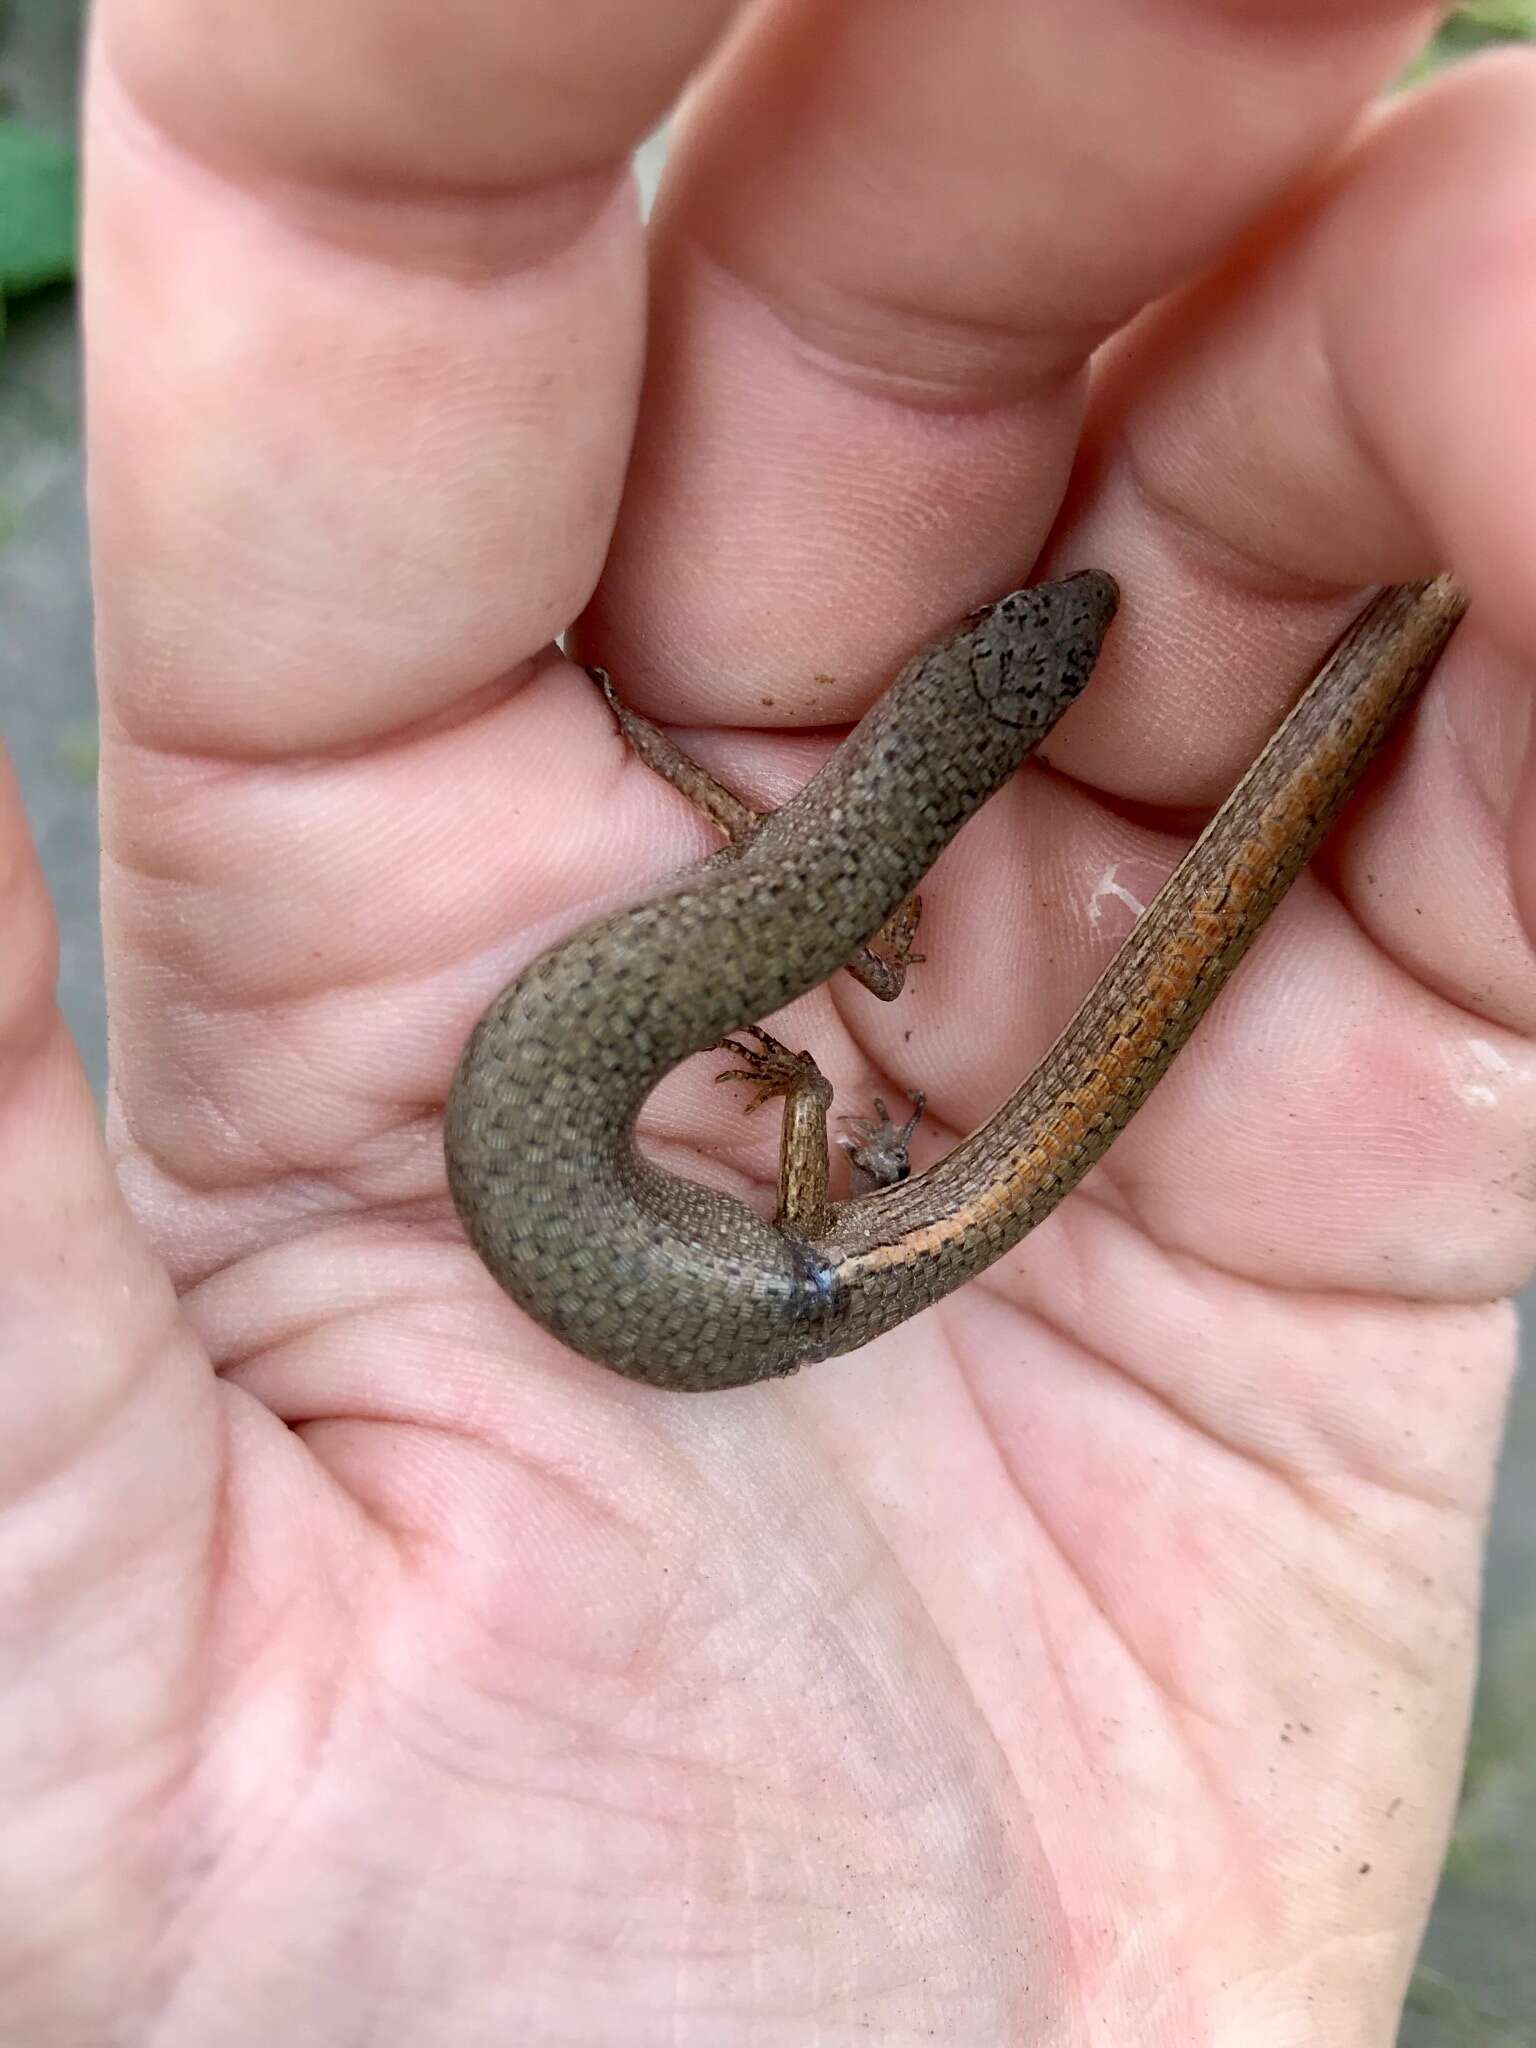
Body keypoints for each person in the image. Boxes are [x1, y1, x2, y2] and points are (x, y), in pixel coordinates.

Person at [3, 2, 1532, 2039]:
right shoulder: (818, 875)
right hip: (756, 1264)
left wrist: (808, 1069)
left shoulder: (820, 857)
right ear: (947, 731)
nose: (1038, 645)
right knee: (829, 1082)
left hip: (738, 1254)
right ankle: (1410, 612)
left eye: (1018, 663)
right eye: (1018, 659)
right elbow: (814, 896)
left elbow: (807, 879)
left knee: (819, 1069)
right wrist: (808, 1084)